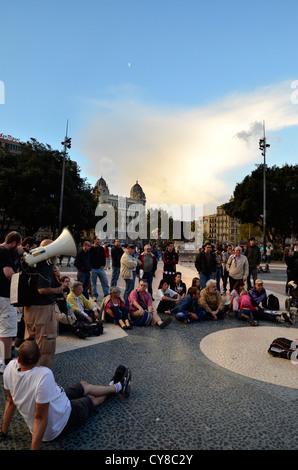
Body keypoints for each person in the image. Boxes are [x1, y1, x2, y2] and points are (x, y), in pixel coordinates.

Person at [0, 340, 131, 450]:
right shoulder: (43, 375)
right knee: (91, 399)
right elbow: (39, 418)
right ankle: (118, 387)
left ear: (19, 359)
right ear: (40, 355)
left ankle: (112, 386)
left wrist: (3, 432)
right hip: (60, 422)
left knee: (83, 384)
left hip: (58, 399)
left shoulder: (10, 367)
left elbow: (10, 402)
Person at [22, 239, 64, 370]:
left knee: (30, 346)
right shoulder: (45, 265)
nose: (57, 254)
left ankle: (28, 374)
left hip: (30, 309)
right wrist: (57, 290)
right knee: (46, 347)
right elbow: (42, 289)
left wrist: (57, 276)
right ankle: (43, 379)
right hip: (43, 310)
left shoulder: (32, 263)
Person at [0, 231, 22, 374]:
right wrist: (20, 282)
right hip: (4, 296)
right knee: (6, 330)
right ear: (13, 243)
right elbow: (8, 273)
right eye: (18, 245)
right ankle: (5, 362)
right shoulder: (5, 252)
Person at [89, 236, 109, 300]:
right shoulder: (91, 249)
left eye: (99, 239)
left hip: (100, 268)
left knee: (105, 281)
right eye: (97, 239)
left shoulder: (101, 248)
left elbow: (104, 257)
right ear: (94, 240)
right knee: (93, 283)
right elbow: (89, 258)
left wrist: (103, 264)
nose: (99, 240)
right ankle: (94, 295)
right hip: (93, 268)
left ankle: (106, 294)